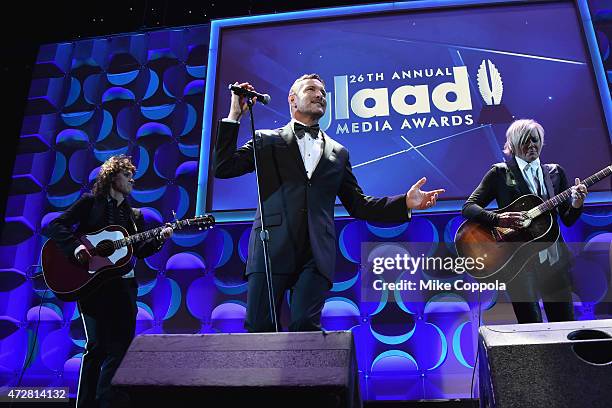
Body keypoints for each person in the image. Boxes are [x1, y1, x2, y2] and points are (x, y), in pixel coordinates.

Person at [214, 74, 445, 332]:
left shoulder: (338, 152)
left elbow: (359, 204)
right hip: (270, 248)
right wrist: (234, 115)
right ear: (292, 99)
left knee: (305, 327)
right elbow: (223, 168)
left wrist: (405, 203)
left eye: (323, 92)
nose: (320, 95)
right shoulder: (266, 139)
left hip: (316, 253)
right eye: (312, 89)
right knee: (260, 327)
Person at [48, 155, 173, 408]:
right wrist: (76, 248)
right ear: (112, 176)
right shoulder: (89, 203)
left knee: (121, 346)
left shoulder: (134, 215)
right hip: (92, 286)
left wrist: (160, 238)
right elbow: (56, 225)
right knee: (97, 346)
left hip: (123, 287)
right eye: (127, 175)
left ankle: (106, 400)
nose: (132, 180)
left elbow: (138, 251)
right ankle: (85, 404)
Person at [462, 119, 588, 323]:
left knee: (564, 326)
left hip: (554, 260)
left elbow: (568, 220)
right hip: (518, 264)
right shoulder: (500, 173)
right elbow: (469, 207)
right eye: (525, 141)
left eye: (535, 140)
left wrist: (576, 203)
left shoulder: (555, 172)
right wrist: (498, 219)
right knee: (531, 330)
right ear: (511, 146)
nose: (531, 145)